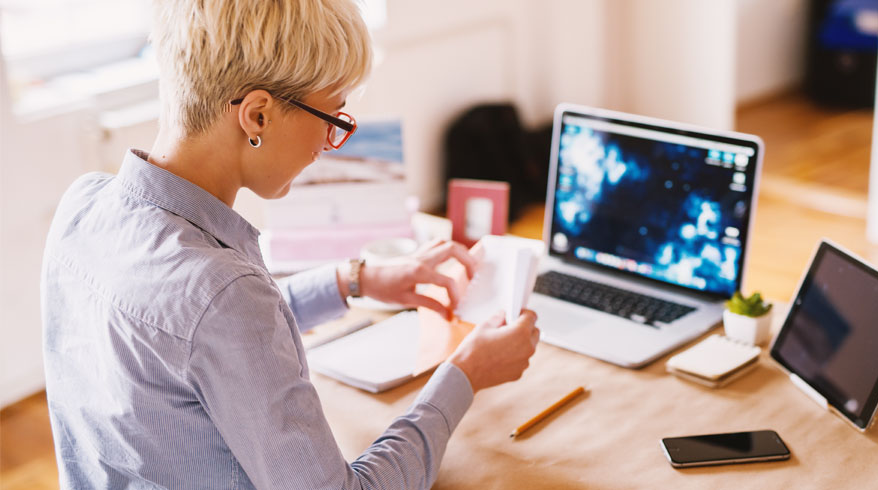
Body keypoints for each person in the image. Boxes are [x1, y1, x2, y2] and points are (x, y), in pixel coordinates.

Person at [40, 0, 540, 488]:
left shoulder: (82, 205)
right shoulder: (223, 294)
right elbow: (226, 323)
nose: (329, 142)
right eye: (334, 117)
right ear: (256, 115)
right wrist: (463, 375)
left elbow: (214, 345)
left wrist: (355, 280)